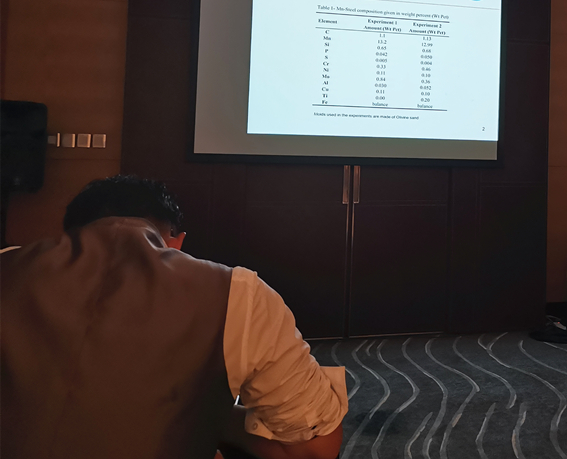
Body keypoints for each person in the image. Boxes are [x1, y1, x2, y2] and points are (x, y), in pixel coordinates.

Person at [1, 175, 347, 459]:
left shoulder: (8, 266)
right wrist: (214, 419)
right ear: (176, 242)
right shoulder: (238, 293)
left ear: (63, 236)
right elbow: (316, 447)